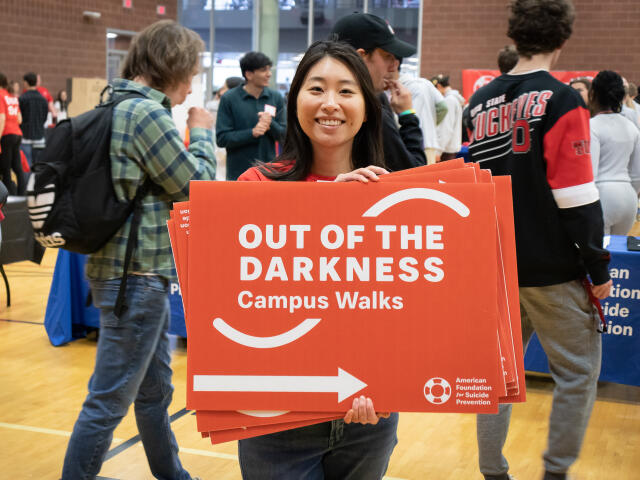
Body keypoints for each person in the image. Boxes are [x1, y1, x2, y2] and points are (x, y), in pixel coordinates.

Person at [61, 20, 216, 480]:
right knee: (107, 402)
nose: (192, 85)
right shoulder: (146, 115)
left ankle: (172, 474)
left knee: (153, 394)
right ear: (172, 66)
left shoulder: (115, 103)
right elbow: (196, 187)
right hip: (139, 278)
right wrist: (202, 132)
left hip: (125, 272)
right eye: (190, 73)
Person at [236, 40, 397, 479]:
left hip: (368, 418)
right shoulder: (256, 184)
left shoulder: (395, 202)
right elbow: (231, 293)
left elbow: (406, 312)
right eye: (316, 89)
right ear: (294, 102)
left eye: (346, 91)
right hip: (276, 419)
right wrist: (326, 203)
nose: (330, 104)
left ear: (367, 107)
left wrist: (392, 379)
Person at [467, 1, 612, 480]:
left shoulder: (479, 102)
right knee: (577, 374)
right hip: (552, 269)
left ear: (515, 35)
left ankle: (493, 472)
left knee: (498, 378)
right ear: (563, 40)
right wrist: (599, 267)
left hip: (494, 267)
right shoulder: (563, 100)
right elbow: (574, 196)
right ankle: (554, 473)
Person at [331, 12, 426, 171]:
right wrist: (407, 115)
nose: (394, 66)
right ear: (361, 57)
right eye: (387, 56)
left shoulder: (377, 99)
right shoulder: (371, 108)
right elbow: (414, 172)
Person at [216, 52, 286, 180]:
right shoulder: (229, 98)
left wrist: (271, 123)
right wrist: (252, 133)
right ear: (248, 74)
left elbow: (284, 135)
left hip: (268, 173)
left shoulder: (275, 97)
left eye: (269, 69)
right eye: (263, 70)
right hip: (238, 174)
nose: (269, 74)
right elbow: (222, 139)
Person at [589, 70, 640, 235]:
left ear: (593, 95)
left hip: (603, 195)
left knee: (599, 257)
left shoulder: (592, 126)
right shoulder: (631, 127)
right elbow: (637, 173)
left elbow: (591, 173)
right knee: (619, 258)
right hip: (629, 197)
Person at [0, 72, 25, 195]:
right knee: (17, 167)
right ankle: (22, 194)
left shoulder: (0, 95)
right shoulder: (12, 97)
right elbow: (20, 119)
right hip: (17, 133)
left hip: (7, 134)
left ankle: (8, 196)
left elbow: (2, 118)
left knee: (6, 167)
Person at [432, 74, 464, 161]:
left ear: (438, 86)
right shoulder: (453, 99)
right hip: (448, 149)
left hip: (445, 151)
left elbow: (446, 128)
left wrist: (438, 151)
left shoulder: (449, 101)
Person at [18, 72, 48, 166]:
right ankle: (37, 181)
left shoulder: (22, 98)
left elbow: (19, 117)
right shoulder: (43, 99)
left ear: (26, 83)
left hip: (25, 136)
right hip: (39, 136)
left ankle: (27, 181)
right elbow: (44, 117)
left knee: (26, 164)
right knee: (38, 165)